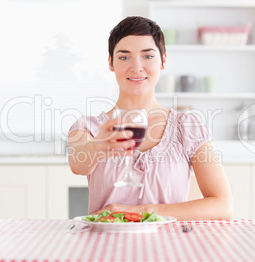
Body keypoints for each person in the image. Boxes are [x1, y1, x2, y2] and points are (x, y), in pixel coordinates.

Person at [67, 16, 233, 220]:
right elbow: (77, 165)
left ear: (163, 60)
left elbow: (222, 206)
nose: (136, 67)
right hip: (106, 248)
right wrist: (100, 143)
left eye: (147, 56)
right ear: (111, 63)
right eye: (124, 57)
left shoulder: (188, 126)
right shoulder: (89, 126)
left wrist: (139, 212)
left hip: (170, 249)